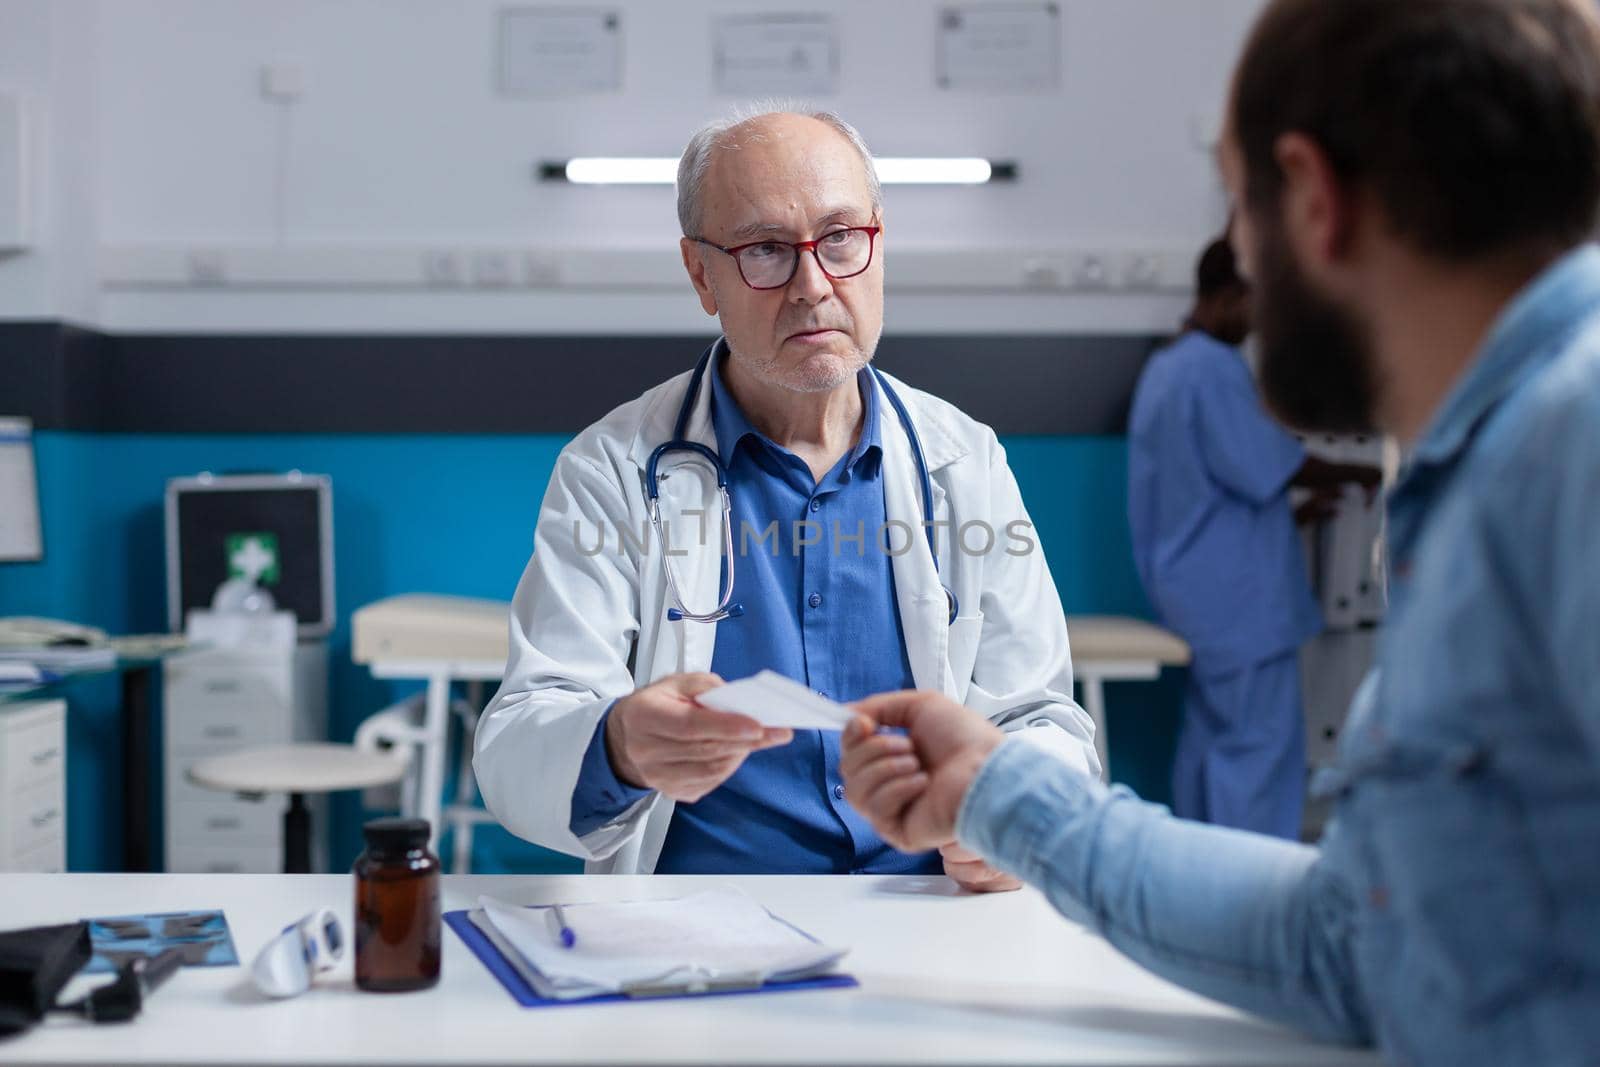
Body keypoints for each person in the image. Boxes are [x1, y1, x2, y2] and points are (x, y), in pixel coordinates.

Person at [841, 0, 1600, 1061]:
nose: (1238, 246)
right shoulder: (1486, 472)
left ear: (1311, 199)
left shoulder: (1575, 433)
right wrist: (998, 791)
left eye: (1238, 204)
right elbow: (1362, 942)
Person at [474, 108, 1097, 885]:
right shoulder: (612, 469)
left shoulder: (961, 462)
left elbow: (1040, 715)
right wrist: (617, 744)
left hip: (927, 922)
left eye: (840, 238)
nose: (813, 285)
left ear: (878, 242)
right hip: (701, 935)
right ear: (701, 273)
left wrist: (1016, 805)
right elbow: (520, 735)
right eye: (766, 249)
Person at [1127, 237, 1378, 838]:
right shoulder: (1211, 369)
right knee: (1257, 750)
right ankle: (1255, 882)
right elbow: (1273, 463)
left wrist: (1295, 512)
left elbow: (1208, 494)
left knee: (1215, 740)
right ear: (1233, 294)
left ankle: (1200, 870)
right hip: (1239, 605)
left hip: (1197, 589)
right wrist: (1368, 471)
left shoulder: (1166, 367)